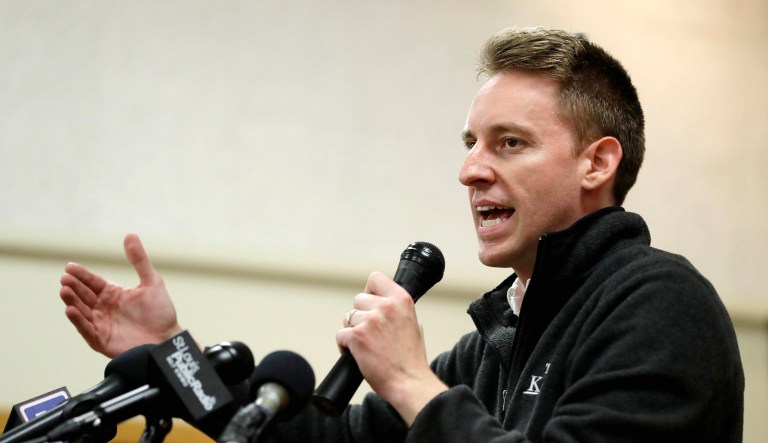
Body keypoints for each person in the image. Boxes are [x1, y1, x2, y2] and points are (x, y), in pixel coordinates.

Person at [59, 26, 744, 442]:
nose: (470, 169)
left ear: (596, 161)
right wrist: (171, 356)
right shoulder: (498, 338)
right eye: (471, 142)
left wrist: (414, 382)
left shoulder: (660, 305)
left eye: (509, 143)